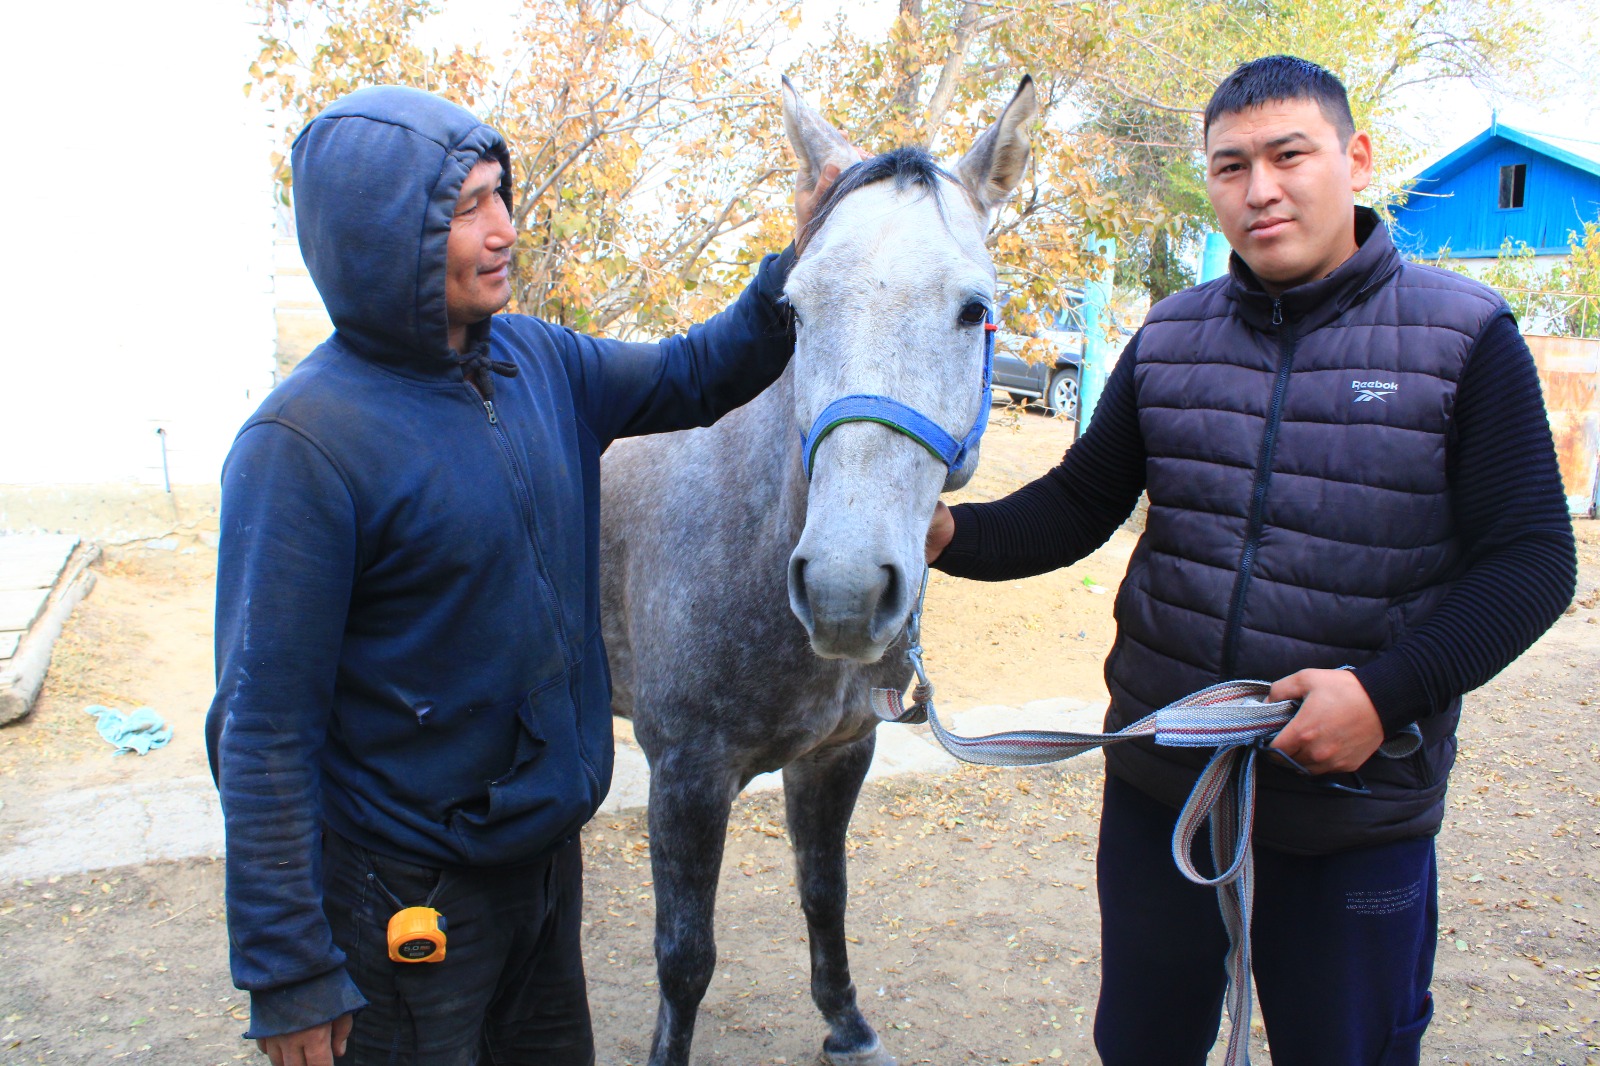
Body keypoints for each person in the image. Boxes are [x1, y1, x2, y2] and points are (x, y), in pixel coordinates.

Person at [925, 56, 1577, 1065]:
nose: (1259, 188)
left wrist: (1382, 693)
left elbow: (1532, 560)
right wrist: (948, 538)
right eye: (1230, 166)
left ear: (1354, 159)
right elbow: (1080, 504)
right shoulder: (1172, 335)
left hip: (1354, 807)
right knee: (1143, 1044)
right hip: (1162, 788)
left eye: (1288, 155)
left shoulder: (1465, 337)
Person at [206, 85, 838, 1066]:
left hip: (539, 865)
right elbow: (261, 729)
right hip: (403, 893)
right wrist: (288, 968)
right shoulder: (304, 444)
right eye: (466, 209)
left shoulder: (537, 362)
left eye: (503, 196)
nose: (503, 230)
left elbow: (695, 372)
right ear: (381, 237)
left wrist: (799, 268)